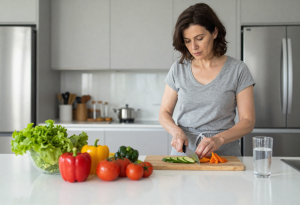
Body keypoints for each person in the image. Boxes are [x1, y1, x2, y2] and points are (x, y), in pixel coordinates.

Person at [159, 3, 255, 158]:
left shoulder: (238, 70)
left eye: (199, 38)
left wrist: (219, 139)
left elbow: (248, 121)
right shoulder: (178, 69)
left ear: (215, 32)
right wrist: (176, 132)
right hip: (185, 155)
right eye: (187, 40)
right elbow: (164, 112)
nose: (194, 46)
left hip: (224, 157)